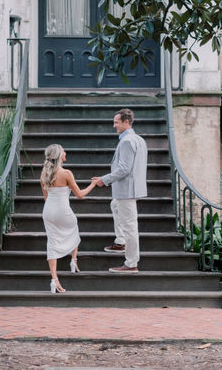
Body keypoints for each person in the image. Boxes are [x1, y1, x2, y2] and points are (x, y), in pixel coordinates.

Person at [92, 108, 147, 274]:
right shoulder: (139, 139)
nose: (114, 125)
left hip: (127, 190)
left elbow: (124, 169)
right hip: (131, 188)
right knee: (114, 205)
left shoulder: (127, 141)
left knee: (130, 227)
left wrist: (104, 180)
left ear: (126, 122)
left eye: (116, 122)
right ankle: (121, 241)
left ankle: (131, 263)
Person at [41, 143, 96, 293]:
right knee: (73, 229)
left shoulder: (44, 173)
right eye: (64, 151)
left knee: (52, 242)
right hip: (63, 210)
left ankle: (54, 279)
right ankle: (73, 260)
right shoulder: (66, 173)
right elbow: (80, 195)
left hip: (48, 211)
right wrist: (93, 184)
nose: (66, 152)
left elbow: (46, 197)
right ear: (59, 155)